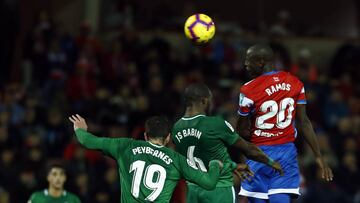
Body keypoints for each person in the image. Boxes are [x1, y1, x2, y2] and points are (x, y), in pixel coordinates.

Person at [236, 44, 333, 203]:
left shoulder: (248, 90)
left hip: (258, 154)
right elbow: (304, 122)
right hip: (286, 155)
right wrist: (318, 156)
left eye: (248, 60)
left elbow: (240, 130)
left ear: (260, 61)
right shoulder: (295, 83)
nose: (245, 64)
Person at [69, 114, 226, 203]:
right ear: (168, 138)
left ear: (145, 135)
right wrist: (214, 164)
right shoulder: (177, 160)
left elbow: (88, 141)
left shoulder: (126, 146)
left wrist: (80, 129)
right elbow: (209, 182)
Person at [171, 83, 283, 203]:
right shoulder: (215, 124)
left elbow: (200, 156)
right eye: (210, 100)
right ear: (204, 101)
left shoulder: (176, 128)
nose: (211, 104)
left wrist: (232, 166)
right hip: (219, 191)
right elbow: (249, 151)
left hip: (193, 192)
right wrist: (271, 162)